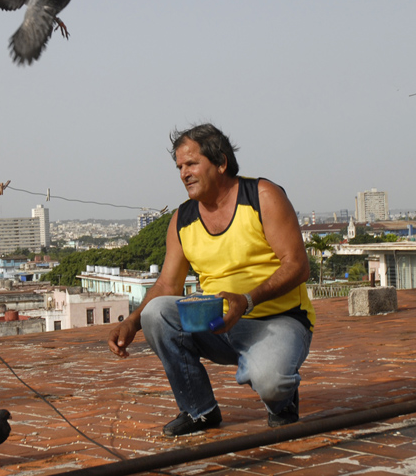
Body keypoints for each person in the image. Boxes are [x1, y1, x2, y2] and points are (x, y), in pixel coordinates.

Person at [108, 123, 315, 436]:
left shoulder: (262, 196)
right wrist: (131, 322)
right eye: (179, 166)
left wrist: (246, 301)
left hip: (278, 319)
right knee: (156, 312)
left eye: (192, 163)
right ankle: (199, 410)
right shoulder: (183, 219)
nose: (184, 173)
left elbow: (298, 265)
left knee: (270, 380)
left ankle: (281, 400)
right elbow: (167, 285)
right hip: (218, 325)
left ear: (221, 163)